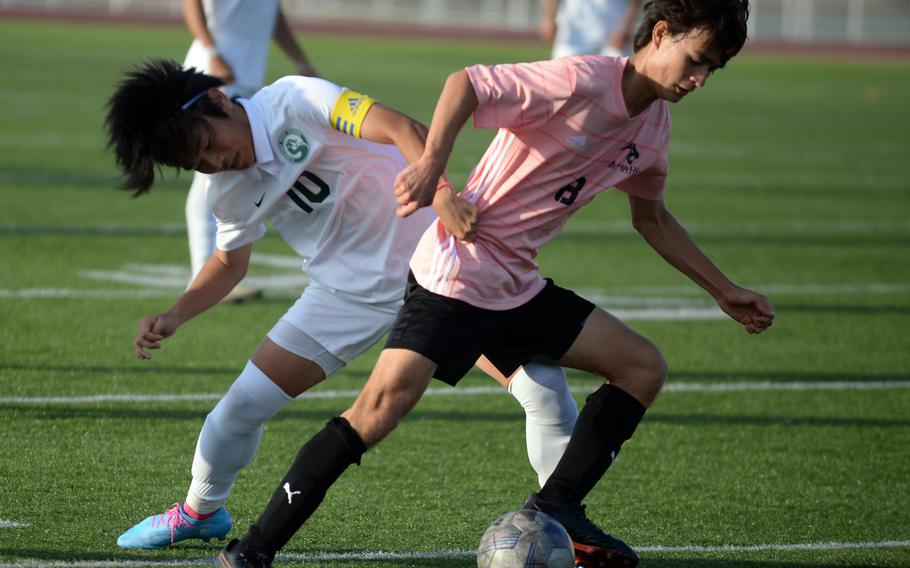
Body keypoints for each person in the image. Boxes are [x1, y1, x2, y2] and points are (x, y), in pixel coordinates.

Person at [216, 1, 773, 567]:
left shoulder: (653, 131)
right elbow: (467, 84)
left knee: (642, 366)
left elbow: (652, 219)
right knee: (376, 412)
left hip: (516, 285)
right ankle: (254, 549)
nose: (699, 79)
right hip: (456, 274)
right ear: (660, 34)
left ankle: (558, 508)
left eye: (713, 70)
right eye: (696, 60)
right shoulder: (582, 79)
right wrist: (433, 166)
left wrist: (722, 289)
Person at [105, 59, 581, 550]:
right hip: (345, 296)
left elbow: (404, 128)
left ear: (219, 101)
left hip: (441, 272)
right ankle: (199, 512)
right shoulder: (225, 190)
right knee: (236, 411)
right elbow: (229, 263)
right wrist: (175, 314)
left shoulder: (294, 101)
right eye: (196, 164)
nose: (214, 163)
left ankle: (563, 525)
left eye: (208, 145)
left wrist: (440, 197)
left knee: (543, 391)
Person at [182, 0, 317, 301]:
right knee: (209, 181)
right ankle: (202, 273)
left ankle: (211, 272)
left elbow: (271, 13)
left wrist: (300, 59)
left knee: (228, 177)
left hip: (244, 73)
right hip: (213, 70)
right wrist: (211, 51)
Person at [540, 0, 643, 58]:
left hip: (613, 34)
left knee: (619, 87)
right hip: (573, 35)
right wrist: (548, 17)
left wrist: (626, 25)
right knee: (560, 85)